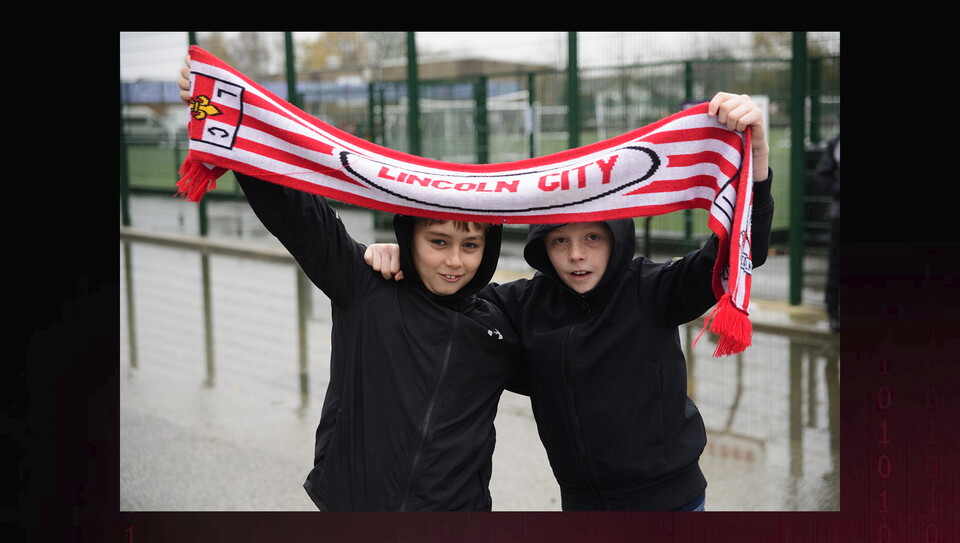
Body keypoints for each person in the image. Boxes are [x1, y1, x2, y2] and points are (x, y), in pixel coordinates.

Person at [366, 93, 775, 511]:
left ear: (616, 238)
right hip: (581, 506)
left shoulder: (651, 289)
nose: (576, 254)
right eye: (560, 240)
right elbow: (451, 293)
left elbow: (741, 250)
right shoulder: (523, 304)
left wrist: (756, 158)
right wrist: (406, 256)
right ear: (542, 246)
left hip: (672, 503)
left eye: (592, 238)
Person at [177, 58, 525, 511]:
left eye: (471, 245)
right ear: (408, 236)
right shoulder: (366, 285)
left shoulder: (498, 321)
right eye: (437, 241)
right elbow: (296, 212)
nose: (454, 261)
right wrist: (229, 115)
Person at [815, 132, 840, 332]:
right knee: (836, 264)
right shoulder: (836, 143)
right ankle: (833, 311)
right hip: (839, 217)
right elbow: (823, 176)